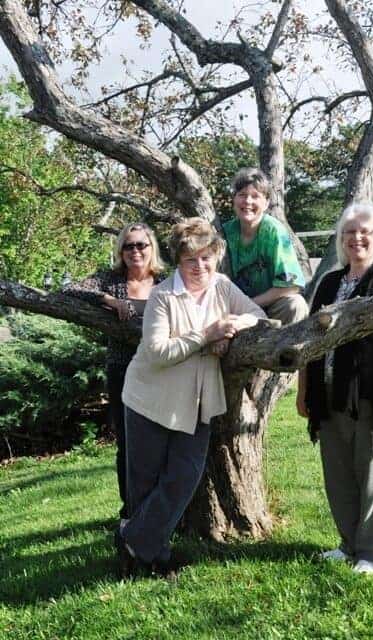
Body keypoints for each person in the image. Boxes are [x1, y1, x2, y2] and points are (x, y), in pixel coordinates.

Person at [118, 218, 266, 579]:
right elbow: (156, 352)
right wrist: (206, 334)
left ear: (216, 256)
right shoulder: (162, 296)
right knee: (146, 484)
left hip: (197, 402)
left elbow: (257, 315)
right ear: (178, 262)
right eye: (190, 260)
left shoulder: (222, 287)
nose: (200, 267)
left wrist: (230, 328)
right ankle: (151, 558)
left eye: (206, 258)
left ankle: (131, 540)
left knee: (184, 476)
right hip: (150, 399)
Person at [296, 202, 373, 574]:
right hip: (329, 395)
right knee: (339, 474)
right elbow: (307, 341)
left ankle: (372, 554)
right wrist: (304, 391)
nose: (357, 238)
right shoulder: (330, 283)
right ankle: (348, 544)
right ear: (340, 240)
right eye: (349, 232)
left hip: (372, 396)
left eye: (365, 231)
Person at [63, 222, 164, 523]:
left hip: (162, 371)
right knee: (128, 445)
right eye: (128, 246)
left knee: (161, 441)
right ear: (121, 251)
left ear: (151, 248)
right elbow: (70, 288)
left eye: (141, 245)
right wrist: (109, 300)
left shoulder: (166, 280)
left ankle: (163, 510)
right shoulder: (110, 279)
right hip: (122, 370)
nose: (135, 251)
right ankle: (130, 511)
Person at [223, 167, 309, 325]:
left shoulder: (274, 231)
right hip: (232, 308)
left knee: (296, 305)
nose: (248, 201)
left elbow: (291, 286)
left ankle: (290, 349)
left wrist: (249, 305)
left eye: (255, 196)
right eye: (242, 195)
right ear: (233, 200)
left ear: (266, 202)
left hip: (269, 306)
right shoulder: (224, 232)